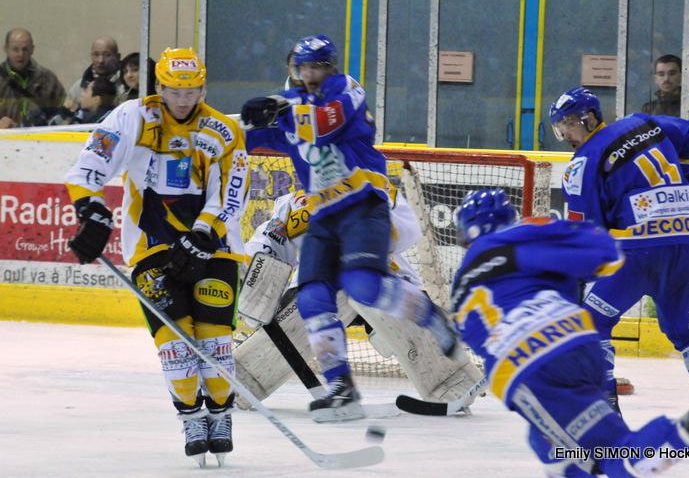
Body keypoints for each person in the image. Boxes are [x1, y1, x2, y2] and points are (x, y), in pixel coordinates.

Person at [452, 188, 689, 477]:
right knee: (550, 445)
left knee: (615, 457)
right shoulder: (530, 232)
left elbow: (470, 335)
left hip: (531, 368)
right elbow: (604, 253)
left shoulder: (461, 284)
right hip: (581, 345)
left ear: (469, 233)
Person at [240, 34, 462, 422]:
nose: (310, 75)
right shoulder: (289, 105)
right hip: (324, 213)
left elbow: (324, 125)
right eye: (303, 68)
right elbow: (242, 137)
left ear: (331, 67)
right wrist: (214, 128)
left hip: (363, 202)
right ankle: (341, 389)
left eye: (318, 67)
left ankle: (432, 316)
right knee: (311, 298)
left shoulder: (347, 89)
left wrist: (281, 106)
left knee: (363, 286)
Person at [64, 47, 250, 466]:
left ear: (202, 87)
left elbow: (232, 192)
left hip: (213, 246)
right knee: (175, 343)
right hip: (152, 247)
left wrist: (203, 235)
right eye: (174, 90)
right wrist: (90, 209)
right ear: (160, 86)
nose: (183, 99)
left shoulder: (222, 130)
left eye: (191, 91)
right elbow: (93, 161)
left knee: (216, 341)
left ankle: (220, 413)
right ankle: (190, 415)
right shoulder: (134, 117)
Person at [550, 87, 689, 412]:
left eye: (567, 126)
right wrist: (673, 190)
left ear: (587, 119)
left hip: (638, 249)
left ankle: (605, 411)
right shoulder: (643, 122)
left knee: (591, 321)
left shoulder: (582, 163)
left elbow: (588, 236)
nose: (565, 136)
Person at [236, 187, 482, 411]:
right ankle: (244, 379)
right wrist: (249, 273)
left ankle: (450, 379)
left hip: (381, 280)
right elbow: (268, 247)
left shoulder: (371, 186)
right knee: (304, 307)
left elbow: (404, 232)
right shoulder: (294, 204)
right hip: (317, 289)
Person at [0, 28, 65, 128]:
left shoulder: (48, 79)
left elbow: (62, 116)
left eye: (25, 49)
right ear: (6, 49)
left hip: (40, 141)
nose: (20, 54)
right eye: (15, 49)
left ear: (32, 49)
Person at [641, 54, 689, 125]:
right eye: (661, 74)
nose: (666, 79)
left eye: (672, 74)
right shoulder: (648, 108)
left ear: (682, 76)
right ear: (656, 79)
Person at [63, 35, 125, 110]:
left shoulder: (126, 84)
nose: (101, 60)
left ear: (118, 57)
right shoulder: (79, 87)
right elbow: (65, 118)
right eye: (96, 54)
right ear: (91, 56)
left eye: (107, 55)